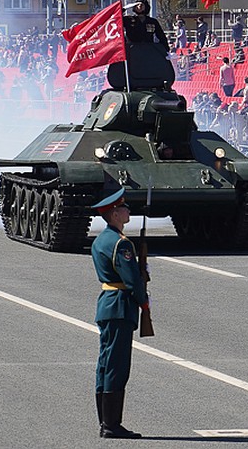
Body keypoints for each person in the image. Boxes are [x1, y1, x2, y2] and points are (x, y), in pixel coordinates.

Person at [90, 187, 149, 440]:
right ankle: (111, 425)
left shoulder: (101, 240)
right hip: (120, 305)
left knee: (105, 364)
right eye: (123, 208)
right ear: (114, 214)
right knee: (117, 366)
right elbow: (131, 280)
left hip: (108, 303)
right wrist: (143, 300)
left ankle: (106, 421)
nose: (128, 211)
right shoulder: (121, 243)